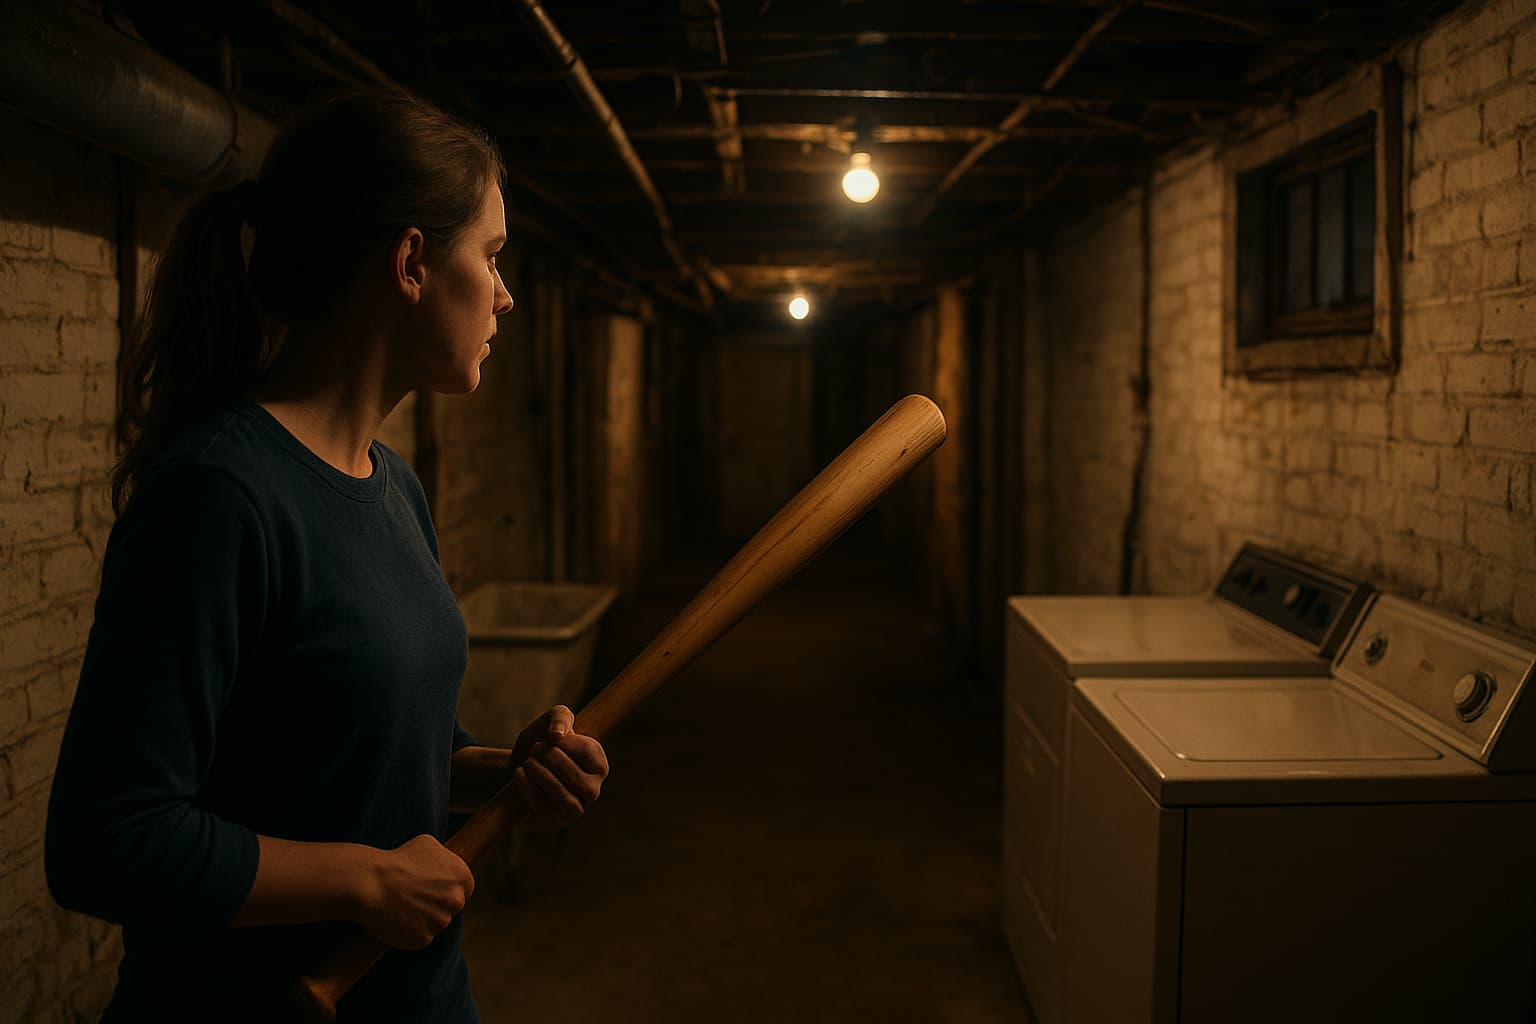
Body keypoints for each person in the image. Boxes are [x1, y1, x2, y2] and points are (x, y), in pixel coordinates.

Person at [44, 90, 609, 1023]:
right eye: (493, 255)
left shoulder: (393, 484)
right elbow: (107, 839)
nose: (506, 292)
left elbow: (367, 756)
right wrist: (363, 881)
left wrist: (504, 773)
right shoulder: (220, 495)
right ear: (413, 263)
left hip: (420, 1002)